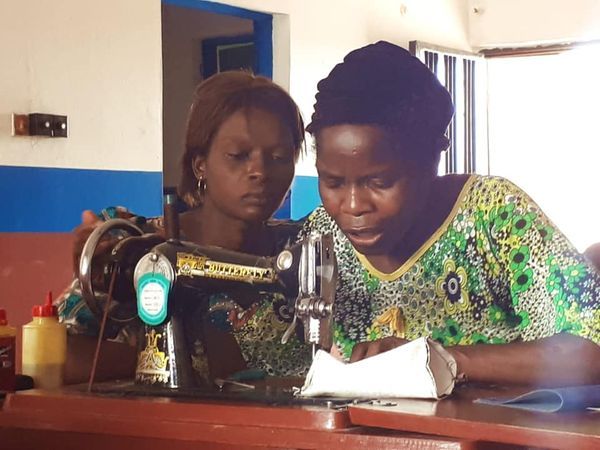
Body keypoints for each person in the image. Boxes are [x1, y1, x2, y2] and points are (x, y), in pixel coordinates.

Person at [299, 41, 600, 387]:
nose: (352, 205)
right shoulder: (321, 236)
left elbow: (590, 347)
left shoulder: (494, 215)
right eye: (333, 182)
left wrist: (439, 358)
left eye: (379, 182)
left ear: (431, 161)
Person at [60, 70, 311, 383]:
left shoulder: (304, 245)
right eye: (238, 155)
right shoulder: (134, 245)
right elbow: (62, 357)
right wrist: (179, 362)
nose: (260, 171)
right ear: (200, 164)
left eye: (279, 156)